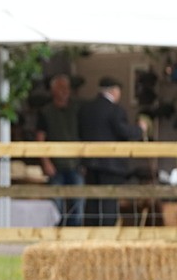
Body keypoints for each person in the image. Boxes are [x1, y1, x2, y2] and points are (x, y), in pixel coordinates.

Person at [77, 76, 147, 226]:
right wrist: (140, 129)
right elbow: (124, 131)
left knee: (92, 201)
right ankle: (106, 235)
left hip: (90, 163)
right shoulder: (115, 110)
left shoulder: (85, 108)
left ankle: (91, 234)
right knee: (108, 201)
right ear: (114, 91)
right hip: (110, 164)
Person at [35, 74, 83, 226]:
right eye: (61, 88)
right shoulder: (45, 112)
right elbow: (40, 138)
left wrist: (83, 161)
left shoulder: (77, 109)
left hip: (75, 164)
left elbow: (83, 135)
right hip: (55, 165)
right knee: (56, 205)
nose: (65, 91)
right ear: (53, 90)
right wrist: (46, 162)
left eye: (67, 88)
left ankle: (75, 235)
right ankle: (57, 234)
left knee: (78, 202)